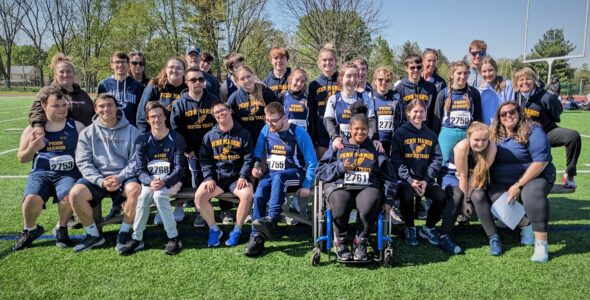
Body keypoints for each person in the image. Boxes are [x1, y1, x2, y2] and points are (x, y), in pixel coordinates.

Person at [471, 102, 555, 262]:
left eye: (512, 112)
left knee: (531, 193)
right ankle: (526, 225)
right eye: (503, 114)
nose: (508, 116)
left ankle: (541, 244)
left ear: (519, 112)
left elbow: (541, 162)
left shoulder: (533, 130)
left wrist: (519, 185)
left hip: (535, 178)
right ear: (499, 118)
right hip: (503, 182)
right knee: (492, 196)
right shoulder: (494, 134)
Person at [317, 102, 397, 261]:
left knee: (368, 206)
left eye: (364, 129)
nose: (360, 132)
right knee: (339, 207)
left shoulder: (375, 149)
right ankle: (341, 242)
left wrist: (388, 200)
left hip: (367, 187)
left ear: (368, 130)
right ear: (350, 129)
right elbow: (320, 171)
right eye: (356, 129)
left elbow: (389, 177)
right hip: (342, 186)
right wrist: (340, 168)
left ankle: (360, 242)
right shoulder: (339, 146)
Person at [13, 87, 85, 251]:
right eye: (56, 106)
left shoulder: (77, 126)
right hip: (42, 173)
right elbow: (22, 158)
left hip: (67, 173)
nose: (61, 109)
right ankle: (30, 229)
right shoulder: (33, 129)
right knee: (31, 200)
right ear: (44, 106)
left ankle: (61, 227)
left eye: (64, 105)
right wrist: (32, 147)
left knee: (68, 197)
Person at [69, 94, 141, 253]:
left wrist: (119, 177)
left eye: (109, 105)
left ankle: (124, 232)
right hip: (98, 178)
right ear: (95, 109)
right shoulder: (88, 133)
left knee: (135, 190)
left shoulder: (132, 131)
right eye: (101, 106)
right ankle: (94, 235)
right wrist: (100, 181)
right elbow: (83, 162)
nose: (106, 109)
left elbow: (136, 161)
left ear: (116, 107)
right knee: (75, 194)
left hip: (124, 177)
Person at [244, 102, 317, 256]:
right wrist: (257, 168)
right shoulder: (266, 129)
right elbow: (258, 153)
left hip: (294, 174)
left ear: (284, 118)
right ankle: (256, 237)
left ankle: (272, 220)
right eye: (267, 120)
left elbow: (311, 161)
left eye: (274, 121)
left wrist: (307, 183)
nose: (270, 124)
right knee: (260, 192)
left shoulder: (298, 132)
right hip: (272, 174)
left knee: (279, 177)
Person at [119, 102, 185, 255]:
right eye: (153, 117)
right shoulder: (142, 140)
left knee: (160, 195)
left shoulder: (176, 138)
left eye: (160, 115)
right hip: (151, 180)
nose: (157, 119)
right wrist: (150, 181)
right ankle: (137, 238)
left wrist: (165, 181)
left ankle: (174, 237)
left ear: (165, 117)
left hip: (172, 180)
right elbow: (140, 169)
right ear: (148, 120)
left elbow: (179, 168)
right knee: (143, 197)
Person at [195, 101, 254, 247]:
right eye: (217, 113)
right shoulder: (209, 136)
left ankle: (237, 230)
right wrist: (208, 178)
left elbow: (248, 159)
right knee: (199, 196)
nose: (221, 114)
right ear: (214, 117)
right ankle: (214, 229)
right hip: (218, 179)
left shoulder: (244, 134)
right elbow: (204, 159)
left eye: (223, 110)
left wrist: (243, 176)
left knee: (247, 194)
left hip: (236, 178)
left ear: (230, 110)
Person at [513, 67, 581, 189]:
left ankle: (570, 173)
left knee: (573, 136)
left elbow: (556, 114)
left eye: (528, 78)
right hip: (523, 136)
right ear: (516, 83)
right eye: (520, 80)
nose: (524, 82)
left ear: (534, 80)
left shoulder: (546, 97)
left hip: (545, 133)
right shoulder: (514, 97)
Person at [391, 99, 445, 247]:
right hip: (405, 180)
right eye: (415, 111)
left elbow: (437, 159)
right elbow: (396, 160)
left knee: (440, 195)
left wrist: (426, 180)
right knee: (407, 194)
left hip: (424, 180)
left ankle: (428, 227)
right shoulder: (400, 133)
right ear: (408, 113)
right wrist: (410, 180)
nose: (418, 114)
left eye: (421, 111)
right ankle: (410, 227)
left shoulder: (431, 135)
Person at [439, 122, 497, 254]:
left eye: (484, 140)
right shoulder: (462, 147)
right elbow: (463, 176)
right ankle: (444, 236)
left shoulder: (492, 148)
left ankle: (494, 237)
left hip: (473, 177)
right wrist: (465, 202)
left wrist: (469, 198)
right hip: (452, 175)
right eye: (476, 140)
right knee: (457, 195)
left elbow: (476, 176)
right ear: (468, 138)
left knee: (479, 196)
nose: (481, 144)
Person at [170, 67, 218, 227]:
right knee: (197, 180)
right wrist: (187, 149)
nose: (198, 82)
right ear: (186, 82)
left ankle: (210, 210)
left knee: (211, 180)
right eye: (193, 80)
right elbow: (176, 129)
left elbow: (220, 124)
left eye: (200, 79)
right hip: (191, 151)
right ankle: (200, 212)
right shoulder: (180, 104)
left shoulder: (213, 100)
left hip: (212, 149)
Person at [430, 60, 482, 164]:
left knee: (466, 164)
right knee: (443, 164)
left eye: (465, 73)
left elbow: (477, 118)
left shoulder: (474, 93)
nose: (462, 76)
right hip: (447, 133)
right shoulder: (443, 94)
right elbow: (437, 120)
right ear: (452, 74)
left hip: (467, 134)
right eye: (459, 73)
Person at [324, 62, 380, 152]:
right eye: (349, 76)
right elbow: (328, 120)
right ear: (342, 78)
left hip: (361, 145)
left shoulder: (366, 98)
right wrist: (335, 137)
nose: (353, 79)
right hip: (340, 144)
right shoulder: (333, 99)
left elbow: (371, 120)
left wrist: (372, 139)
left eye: (356, 76)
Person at [29, 53, 94, 128]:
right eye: (61, 72)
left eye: (68, 71)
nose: (65, 75)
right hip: (62, 137)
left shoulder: (82, 94)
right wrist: (38, 126)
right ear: (56, 76)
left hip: (85, 137)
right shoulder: (47, 91)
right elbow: (36, 111)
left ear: (73, 74)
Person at [227, 65, 280, 144]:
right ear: (237, 81)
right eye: (242, 79)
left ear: (253, 76)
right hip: (245, 142)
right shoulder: (234, 98)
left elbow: (279, 113)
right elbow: (229, 121)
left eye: (248, 76)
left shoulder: (266, 92)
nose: (246, 80)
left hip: (266, 140)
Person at [136, 57, 187, 133]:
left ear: (184, 72)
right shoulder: (155, 86)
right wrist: (144, 135)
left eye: (179, 68)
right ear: (166, 70)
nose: (174, 70)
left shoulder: (188, 88)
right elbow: (141, 115)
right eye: (171, 67)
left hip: (181, 135)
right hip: (157, 134)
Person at [308, 43, 340, 159]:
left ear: (336, 61)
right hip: (321, 135)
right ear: (319, 63)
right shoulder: (314, 85)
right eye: (324, 60)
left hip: (340, 134)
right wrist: (313, 137)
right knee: (323, 170)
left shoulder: (343, 81)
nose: (328, 63)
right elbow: (311, 114)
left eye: (331, 60)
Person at [97, 51, 145, 127]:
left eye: (123, 62)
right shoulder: (104, 85)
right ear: (111, 65)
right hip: (109, 128)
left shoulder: (138, 86)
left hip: (130, 128)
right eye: (117, 62)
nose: (120, 65)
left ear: (128, 64)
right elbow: (99, 108)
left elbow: (141, 112)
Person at [393, 53, 438, 127]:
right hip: (405, 131)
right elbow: (396, 115)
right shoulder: (399, 89)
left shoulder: (431, 88)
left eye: (418, 67)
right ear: (406, 68)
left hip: (425, 131)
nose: (416, 70)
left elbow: (435, 114)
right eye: (412, 67)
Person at [370, 66, 399, 154]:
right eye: (380, 79)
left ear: (390, 83)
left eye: (387, 80)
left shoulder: (396, 99)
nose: (383, 82)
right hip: (375, 143)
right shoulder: (369, 98)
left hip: (392, 144)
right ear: (375, 81)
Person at [478, 57, 514, 125]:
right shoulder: (479, 91)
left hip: (503, 128)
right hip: (486, 130)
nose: (488, 74)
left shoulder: (507, 86)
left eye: (490, 70)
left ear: (496, 70)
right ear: (480, 73)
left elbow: (511, 109)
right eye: (484, 71)